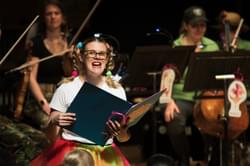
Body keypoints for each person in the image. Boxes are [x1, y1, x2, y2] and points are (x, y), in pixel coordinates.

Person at [29, 35, 131, 166]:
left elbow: (123, 138)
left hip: (105, 155)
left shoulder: (117, 90)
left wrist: (121, 131)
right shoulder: (66, 88)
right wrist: (55, 120)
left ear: (107, 59)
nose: (97, 56)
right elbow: (50, 129)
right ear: (81, 57)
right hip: (72, 153)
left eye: (102, 53)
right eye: (91, 53)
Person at [163, 6, 219, 166]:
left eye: (203, 25)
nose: (199, 29)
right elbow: (167, 77)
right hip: (182, 97)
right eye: (195, 25)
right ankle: (184, 159)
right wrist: (169, 101)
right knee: (174, 119)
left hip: (206, 97)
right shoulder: (176, 46)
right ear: (186, 26)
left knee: (219, 119)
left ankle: (213, 160)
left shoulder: (212, 46)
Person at [22, 0, 72, 141]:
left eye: (56, 13)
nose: (53, 17)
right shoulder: (37, 43)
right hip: (40, 99)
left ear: (62, 18)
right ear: (44, 18)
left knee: (73, 127)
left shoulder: (69, 41)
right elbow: (31, 79)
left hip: (62, 95)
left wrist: (68, 57)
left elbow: (69, 73)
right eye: (49, 14)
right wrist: (45, 104)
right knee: (55, 127)